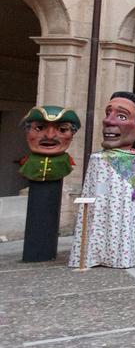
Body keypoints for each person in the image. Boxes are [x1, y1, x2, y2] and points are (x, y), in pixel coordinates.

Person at [69, 92, 135, 269]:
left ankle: (120, 253)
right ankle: (96, 253)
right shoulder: (98, 159)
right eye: (108, 113)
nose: (109, 121)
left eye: (121, 116)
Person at [17, 105, 79, 263]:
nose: (50, 136)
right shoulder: (29, 162)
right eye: (39, 128)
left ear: (72, 134)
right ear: (27, 132)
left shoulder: (64, 163)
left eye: (62, 130)